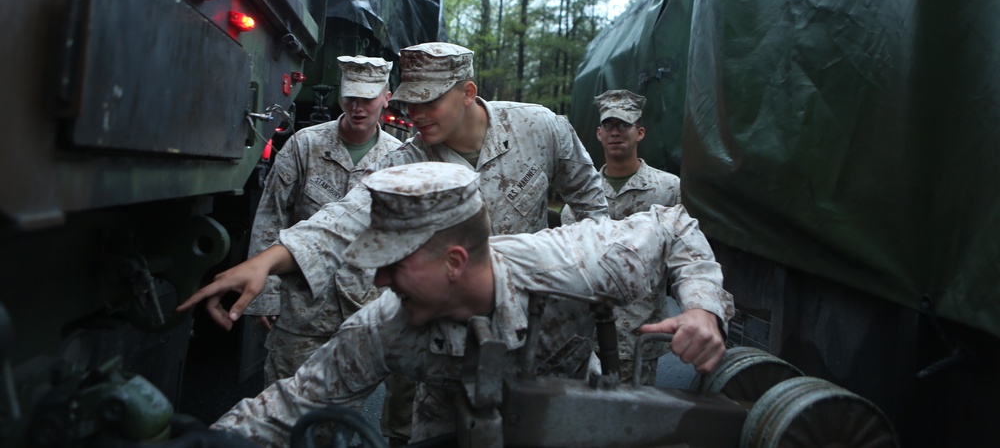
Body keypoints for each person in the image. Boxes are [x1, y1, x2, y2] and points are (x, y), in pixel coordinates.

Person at [178, 42, 608, 444]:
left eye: (429, 100)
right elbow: (347, 214)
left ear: (468, 92)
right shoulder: (406, 161)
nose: (415, 113)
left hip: (543, 332)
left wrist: (587, 280)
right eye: (409, 101)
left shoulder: (540, 128)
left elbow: (592, 205)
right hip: (451, 341)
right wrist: (270, 260)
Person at [208, 162, 733, 445]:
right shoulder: (385, 324)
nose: (381, 278)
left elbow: (672, 227)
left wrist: (702, 307)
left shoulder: (570, 261)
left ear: (454, 262)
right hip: (451, 430)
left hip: (572, 424)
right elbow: (292, 404)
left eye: (395, 262)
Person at [243, 55, 401, 386]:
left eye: (368, 99)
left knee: (340, 417)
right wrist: (267, 295)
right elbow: (272, 215)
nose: (358, 107)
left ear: (386, 97)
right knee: (285, 409)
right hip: (302, 309)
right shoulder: (306, 145)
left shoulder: (398, 158)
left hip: (362, 311)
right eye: (350, 97)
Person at [563, 89, 682, 385]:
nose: (616, 133)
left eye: (624, 125)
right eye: (609, 126)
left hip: (641, 332)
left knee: (635, 420)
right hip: (587, 336)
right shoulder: (579, 199)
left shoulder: (667, 190)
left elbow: (683, 256)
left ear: (640, 133)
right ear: (599, 134)